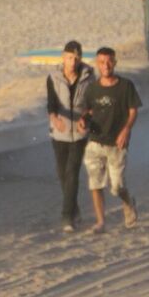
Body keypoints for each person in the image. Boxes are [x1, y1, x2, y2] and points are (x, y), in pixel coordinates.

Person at [80, 47, 140, 233]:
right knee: (95, 183)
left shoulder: (125, 86)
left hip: (117, 144)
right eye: (102, 62)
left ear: (114, 63)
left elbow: (133, 110)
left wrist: (126, 129)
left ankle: (128, 202)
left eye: (109, 62)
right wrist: (83, 121)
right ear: (97, 64)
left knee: (117, 187)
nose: (105, 66)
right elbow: (88, 110)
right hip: (95, 142)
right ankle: (101, 222)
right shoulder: (92, 88)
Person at [46, 41, 95, 231]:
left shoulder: (89, 78)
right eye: (69, 58)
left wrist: (86, 118)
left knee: (72, 171)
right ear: (63, 57)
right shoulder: (53, 77)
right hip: (59, 132)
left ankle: (67, 217)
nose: (72, 62)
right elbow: (51, 103)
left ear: (80, 59)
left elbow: (92, 104)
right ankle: (75, 209)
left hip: (80, 134)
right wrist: (54, 117)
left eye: (76, 58)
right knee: (62, 173)